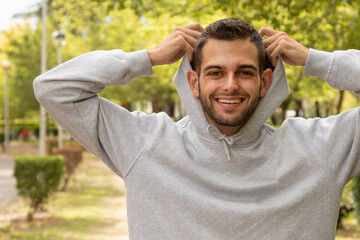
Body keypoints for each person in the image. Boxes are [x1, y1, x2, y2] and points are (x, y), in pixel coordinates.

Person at [33, 18, 360, 239]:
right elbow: (53, 89)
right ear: (193, 81)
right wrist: (149, 57)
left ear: (266, 82)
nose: (230, 85)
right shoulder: (145, 144)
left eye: (245, 72)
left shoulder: (320, 150)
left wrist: (315, 60)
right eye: (215, 72)